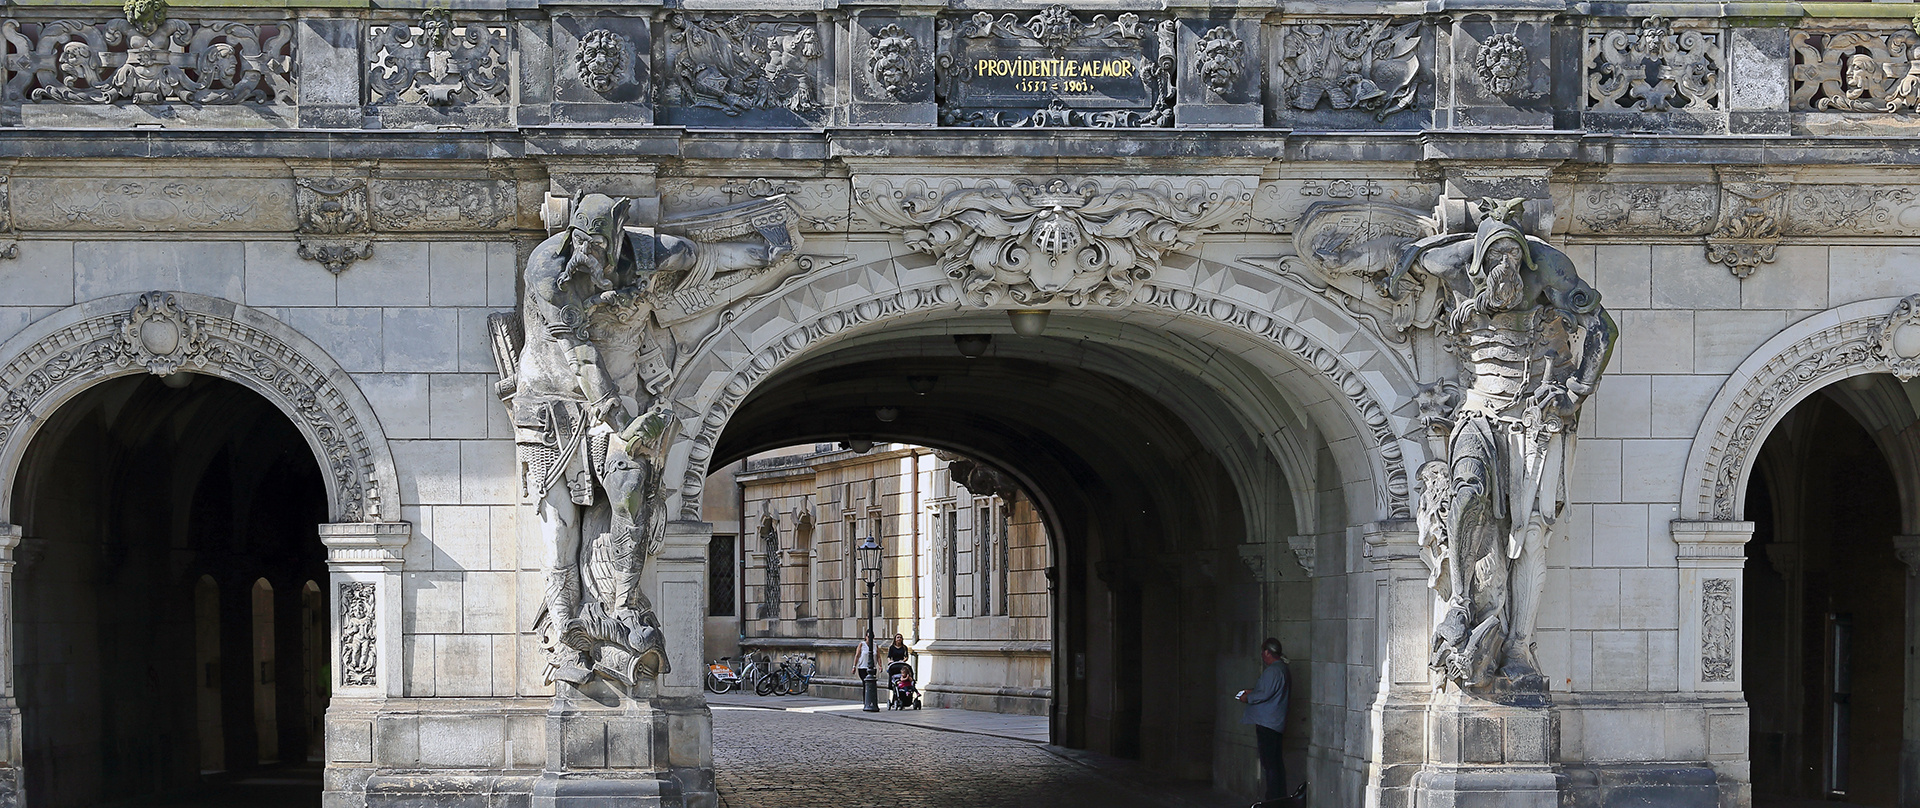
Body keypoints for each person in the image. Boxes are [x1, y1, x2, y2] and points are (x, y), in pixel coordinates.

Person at [1238, 637, 1293, 805]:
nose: (1262, 655)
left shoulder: (1273, 671)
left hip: (1268, 723)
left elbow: (1264, 694)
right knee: (1275, 764)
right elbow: (1271, 691)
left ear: (1268, 652)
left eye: (1263, 651)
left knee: (1270, 765)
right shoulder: (1282, 669)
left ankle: (1273, 800)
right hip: (1275, 722)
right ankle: (1278, 799)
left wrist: (1247, 697)